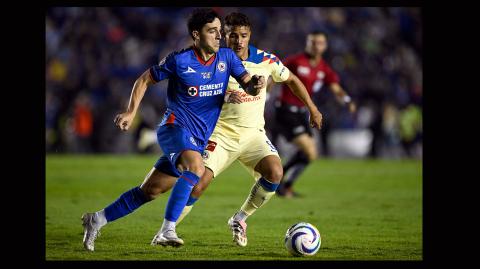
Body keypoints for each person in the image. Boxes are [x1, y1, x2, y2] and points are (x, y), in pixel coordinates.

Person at [81, 8, 265, 251]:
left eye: (220, 31)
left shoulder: (227, 59)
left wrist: (255, 85)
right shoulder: (179, 60)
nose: (219, 36)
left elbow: (248, 86)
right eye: (212, 31)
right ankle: (167, 230)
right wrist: (131, 112)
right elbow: (144, 80)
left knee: (149, 191)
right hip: (174, 128)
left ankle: (96, 220)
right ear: (196, 35)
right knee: (196, 168)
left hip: (197, 139)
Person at [152, 12, 322, 247]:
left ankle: (240, 219)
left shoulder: (266, 61)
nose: (238, 41)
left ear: (250, 35)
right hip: (219, 135)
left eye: (243, 36)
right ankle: (166, 231)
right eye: (233, 35)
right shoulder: (215, 60)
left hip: (253, 135)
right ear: (224, 35)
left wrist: (312, 108)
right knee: (198, 184)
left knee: (275, 173)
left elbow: (291, 79)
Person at [274, 31, 356, 198]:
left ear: (325, 46)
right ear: (307, 43)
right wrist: (266, 94)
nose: (316, 46)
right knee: (308, 149)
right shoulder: (295, 61)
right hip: (285, 110)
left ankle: (284, 185)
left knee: (311, 154)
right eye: (312, 42)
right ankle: (279, 181)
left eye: (319, 43)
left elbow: (335, 88)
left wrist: (347, 100)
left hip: (304, 112)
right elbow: (273, 73)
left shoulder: (323, 68)